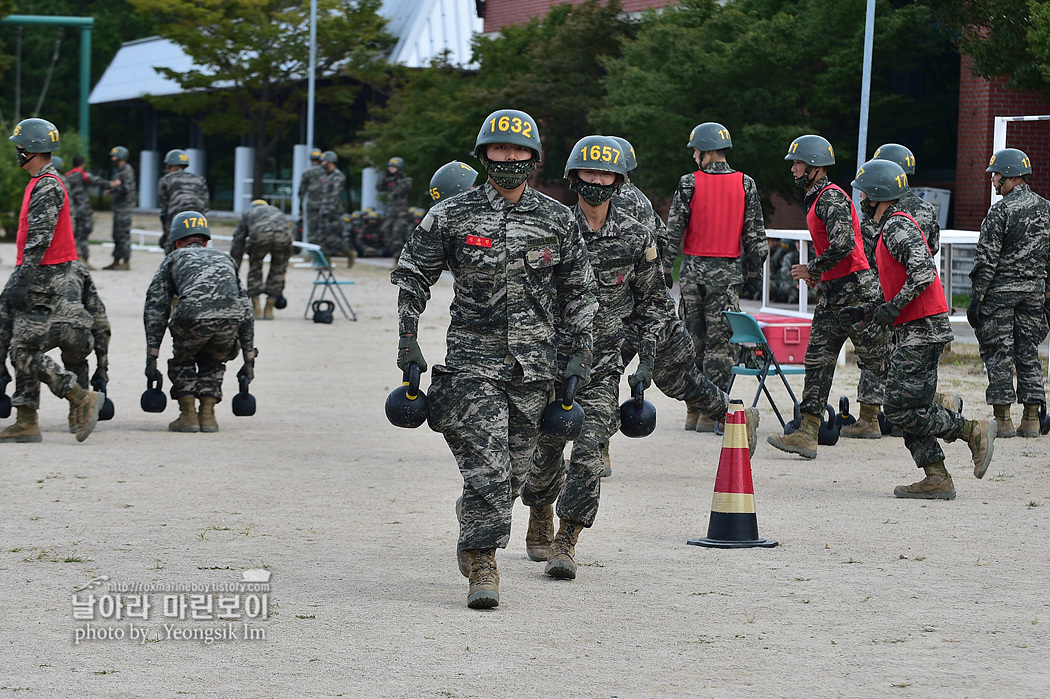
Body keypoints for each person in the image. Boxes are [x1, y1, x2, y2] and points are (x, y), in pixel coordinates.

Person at [391, 109, 597, 609]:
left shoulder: (557, 218)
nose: (508, 158)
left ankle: (474, 520)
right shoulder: (451, 214)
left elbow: (579, 289)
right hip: (471, 365)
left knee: (515, 471)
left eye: (518, 150)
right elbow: (413, 274)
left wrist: (580, 355)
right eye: (499, 150)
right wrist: (408, 336)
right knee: (486, 468)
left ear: (533, 157)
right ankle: (483, 565)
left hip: (535, 370)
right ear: (483, 155)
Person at [519, 135, 663, 581]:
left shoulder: (637, 236)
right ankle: (540, 507)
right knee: (544, 451)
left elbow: (654, 303)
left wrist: (646, 360)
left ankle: (567, 538)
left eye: (605, 174)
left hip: (603, 365)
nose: (596, 181)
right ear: (574, 177)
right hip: (551, 363)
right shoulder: (554, 228)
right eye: (588, 173)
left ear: (618, 180)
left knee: (588, 455)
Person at [844, 159, 995, 498]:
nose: (862, 201)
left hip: (921, 329)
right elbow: (898, 282)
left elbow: (924, 274)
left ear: (879, 194)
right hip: (914, 329)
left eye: (865, 194)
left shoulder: (897, 227)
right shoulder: (891, 228)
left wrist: (893, 308)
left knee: (897, 407)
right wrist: (867, 310)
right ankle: (937, 478)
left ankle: (973, 430)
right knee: (909, 408)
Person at [609, 135, 755, 479]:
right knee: (606, 373)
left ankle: (726, 413)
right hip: (626, 308)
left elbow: (667, 238)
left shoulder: (638, 199)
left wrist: (659, 279)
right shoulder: (741, 183)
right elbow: (752, 232)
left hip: (652, 301)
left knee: (677, 373)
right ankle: (598, 450)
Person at [767, 135, 889, 459]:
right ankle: (807, 433)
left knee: (882, 365)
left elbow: (844, 244)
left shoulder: (831, 198)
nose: (793, 169)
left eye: (798, 163)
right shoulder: (816, 197)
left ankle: (943, 409)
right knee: (817, 360)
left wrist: (813, 269)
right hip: (836, 293)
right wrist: (820, 276)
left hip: (857, 294)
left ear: (816, 166)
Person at [0, 117, 103, 443]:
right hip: (40, 273)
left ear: (31, 148)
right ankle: (26, 419)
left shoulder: (46, 185)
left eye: (20, 146)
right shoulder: (43, 180)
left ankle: (78, 396)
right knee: (20, 339)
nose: (17, 151)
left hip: (44, 277)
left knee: (23, 351)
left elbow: (40, 237)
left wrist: (22, 278)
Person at [664, 122, 768, 431]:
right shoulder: (745, 183)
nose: (694, 156)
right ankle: (712, 413)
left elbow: (673, 232)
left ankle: (693, 411)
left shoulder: (689, 183)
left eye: (696, 150)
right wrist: (754, 271)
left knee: (692, 342)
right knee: (720, 347)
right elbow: (755, 235)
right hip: (727, 276)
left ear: (706, 151)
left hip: (694, 274)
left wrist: (666, 269)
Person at [842, 143, 943, 439]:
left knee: (877, 355)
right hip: (908, 292)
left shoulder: (884, 211)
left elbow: (865, 250)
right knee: (904, 363)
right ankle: (917, 411)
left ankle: (871, 416)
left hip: (883, 289)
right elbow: (931, 249)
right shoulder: (925, 208)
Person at [144, 211, 255, 434]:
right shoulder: (226, 259)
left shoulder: (173, 259)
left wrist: (152, 353)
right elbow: (245, 307)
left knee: (183, 360)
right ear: (206, 241)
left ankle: (187, 415)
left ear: (176, 242)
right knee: (214, 361)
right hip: (230, 318)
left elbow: (156, 306)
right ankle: (208, 416)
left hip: (191, 316)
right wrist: (249, 356)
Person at [969, 147, 1050, 438]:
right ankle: (1031, 418)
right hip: (1034, 293)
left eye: (995, 174)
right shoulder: (1047, 208)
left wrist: (976, 299)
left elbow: (986, 260)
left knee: (998, 353)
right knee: (1028, 352)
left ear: (1009, 176)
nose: (993, 179)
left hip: (1000, 293)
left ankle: (1003, 421)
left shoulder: (1001, 211)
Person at [0, 260, 110, 434]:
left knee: (26, 354)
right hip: (77, 328)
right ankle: (78, 417)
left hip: (41, 325)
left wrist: (1, 366)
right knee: (77, 359)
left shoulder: (25, 269)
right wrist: (102, 367)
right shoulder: (79, 268)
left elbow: (4, 321)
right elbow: (100, 318)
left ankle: (27, 420)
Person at [230, 199, 294, 320]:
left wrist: (234, 265)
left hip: (260, 235)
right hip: (282, 237)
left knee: (255, 266)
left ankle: (256, 307)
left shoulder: (249, 213)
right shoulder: (276, 211)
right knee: (278, 269)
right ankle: (269, 307)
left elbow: (239, 239)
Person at [157, 149, 210, 254]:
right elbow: (206, 205)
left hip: (176, 217)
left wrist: (165, 229)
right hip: (198, 218)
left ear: (170, 165)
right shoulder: (199, 179)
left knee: (172, 250)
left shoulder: (166, 180)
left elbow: (164, 208)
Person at [64, 155, 104, 268]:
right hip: (84, 210)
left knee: (74, 234)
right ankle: (84, 259)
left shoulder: (68, 176)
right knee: (84, 234)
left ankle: (76, 257)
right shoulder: (84, 175)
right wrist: (111, 184)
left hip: (72, 210)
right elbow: (98, 181)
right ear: (83, 164)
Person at [102, 146, 136, 270]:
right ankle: (116, 260)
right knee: (116, 234)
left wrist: (116, 186)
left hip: (125, 208)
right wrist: (113, 188)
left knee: (123, 235)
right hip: (119, 208)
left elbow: (126, 188)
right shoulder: (120, 170)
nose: (113, 159)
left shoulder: (126, 170)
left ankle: (126, 261)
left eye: (115, 156)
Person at [378, 156, 414, 262]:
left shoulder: (406, 180)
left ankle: (398, 259)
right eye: (390, 167)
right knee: (386, 232)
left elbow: (402, 189)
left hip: (401, 212)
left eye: (394, 167)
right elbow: (379, 187)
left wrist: (397, 178)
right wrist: (385, 177)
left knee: (397, 234)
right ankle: (395, 254)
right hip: (391, 211)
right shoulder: (388, 179)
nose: (391, 169)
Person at [317, 151, 347, 260]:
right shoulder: (325, 176)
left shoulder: (338, 176)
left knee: (332, 236)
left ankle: (347, 252)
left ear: (331, 162)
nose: (322, 163)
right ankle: (325, 260)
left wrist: (331, 209)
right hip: (323, 209)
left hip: (333, 211)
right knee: (322, 235)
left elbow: (336, 194)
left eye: (324, 161)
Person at [297, 148, 324, 243]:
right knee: (324, 228)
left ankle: (312, 252)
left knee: (312, 230)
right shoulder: (326, 172)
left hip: (312, 204)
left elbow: (301, 191)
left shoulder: (307, 172)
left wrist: (300, 208)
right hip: (325, 204)